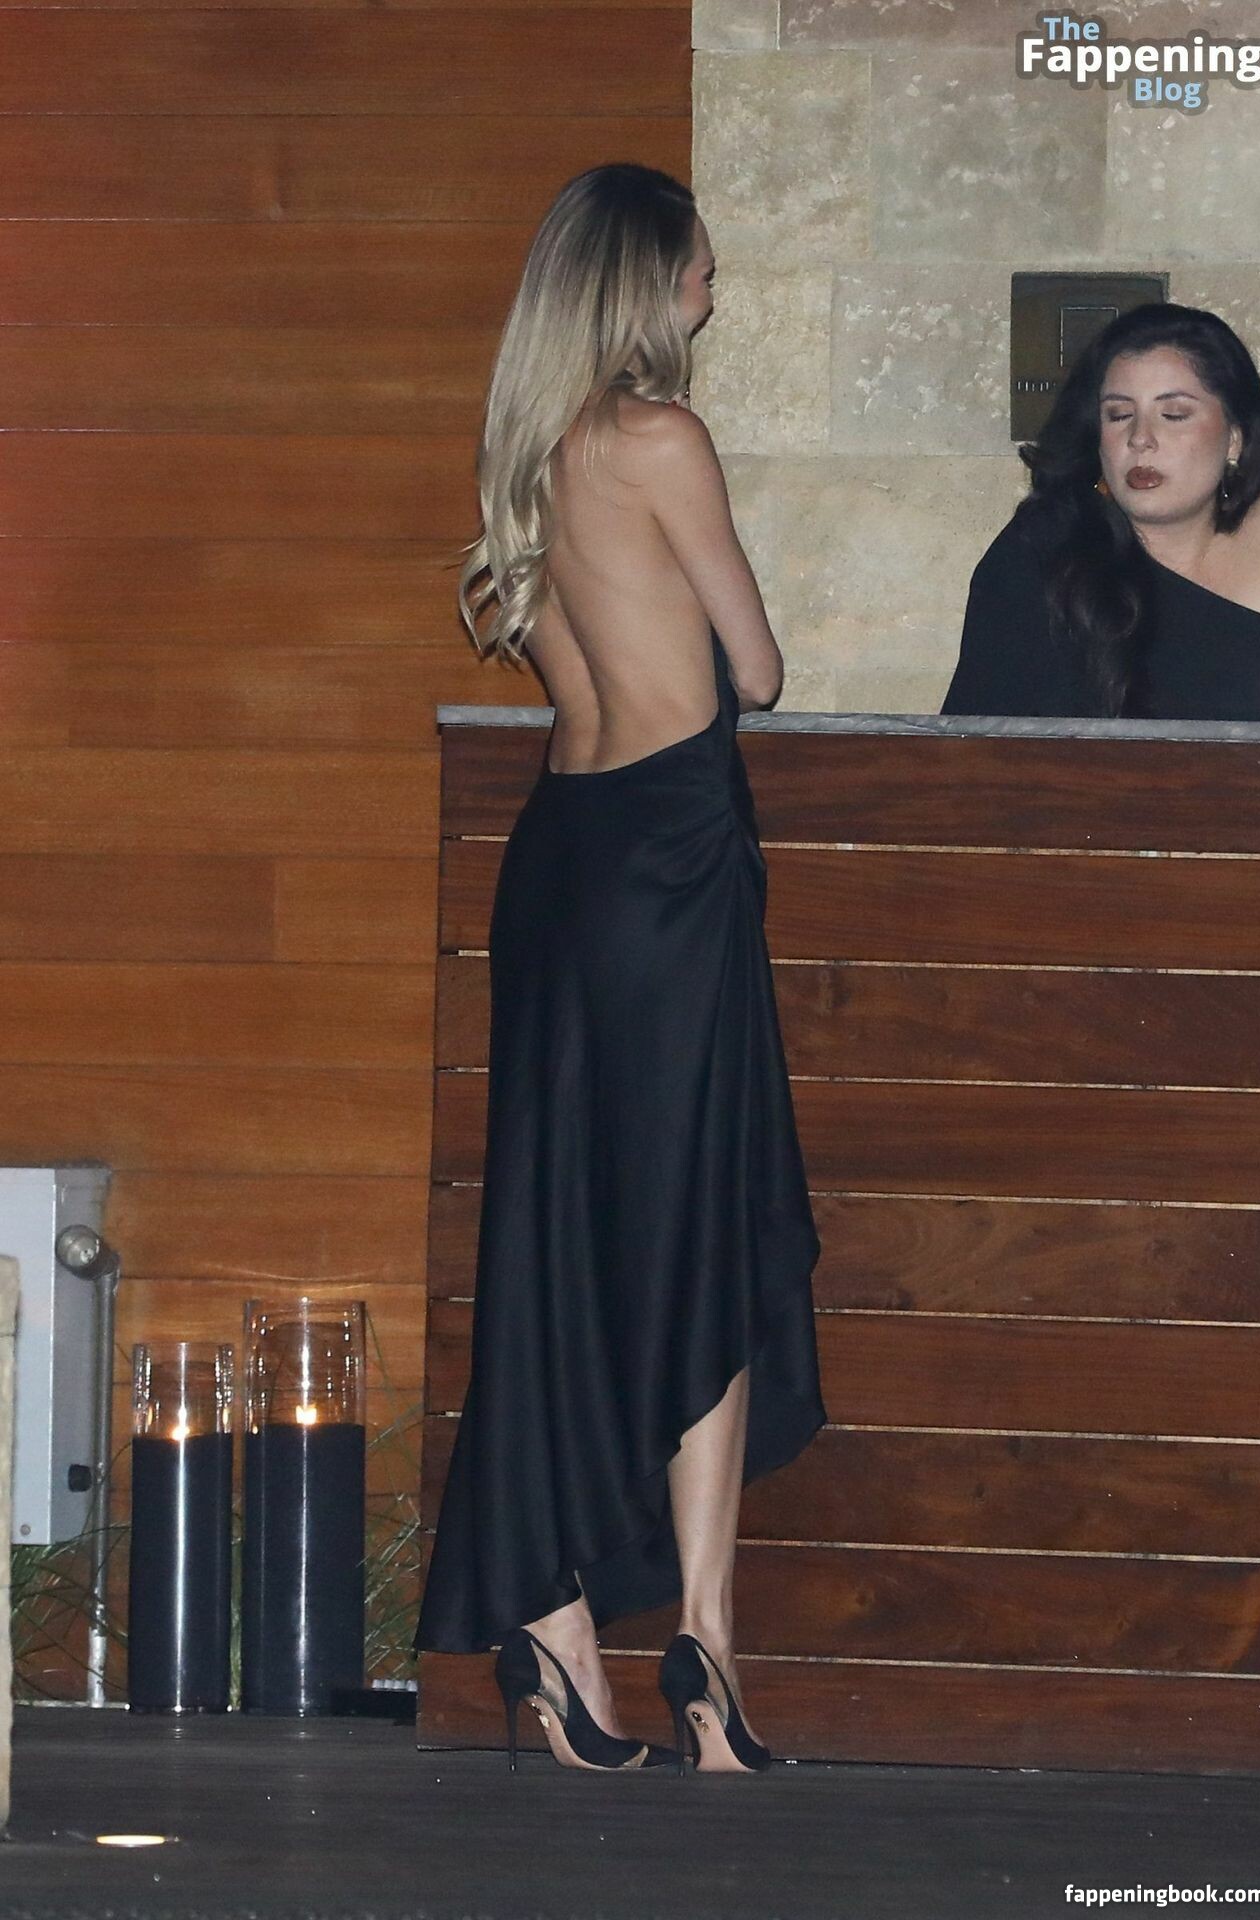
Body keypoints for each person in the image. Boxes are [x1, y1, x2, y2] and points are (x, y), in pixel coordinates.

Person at [413, 164, 827, 1775]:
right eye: (699, 270)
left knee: (558, 1234)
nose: (710, 292)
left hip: (562, 856)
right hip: (669, 857)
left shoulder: (523, 454)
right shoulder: (657, 438)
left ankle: (556, 1615)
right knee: (702, 1227)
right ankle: (704, 1645)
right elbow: (757, 669)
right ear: (643, 281)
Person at [942, 303, 1260, 719]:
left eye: (1173, 415)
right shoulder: (1042, 552)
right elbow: (977, 741)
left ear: (1234, 438)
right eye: (1119, 415)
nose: (1141, 438)